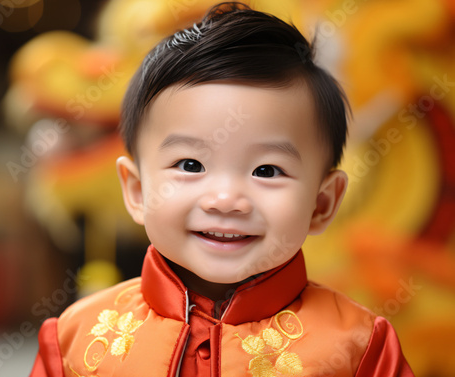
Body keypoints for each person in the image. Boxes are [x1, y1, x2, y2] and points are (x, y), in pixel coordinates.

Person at [29, 2, 414, 376]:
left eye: (266, 170)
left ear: (321, 203)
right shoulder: (74, 340)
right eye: (190, 165)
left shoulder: (361, 348)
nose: (226, 200)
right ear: (136, 191)